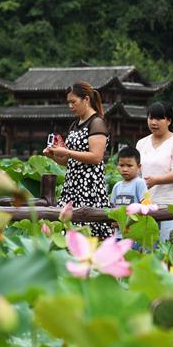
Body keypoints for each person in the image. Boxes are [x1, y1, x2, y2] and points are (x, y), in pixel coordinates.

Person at [44, 81, 112, 239]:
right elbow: (70, 161)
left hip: (89, 187)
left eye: (73, 102)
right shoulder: (75, 124)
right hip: (71, 186)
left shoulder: (96, 123)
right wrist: (53, 156)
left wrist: (67, 152)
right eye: (68, 102)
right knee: (66, 233)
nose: (70, 106)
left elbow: (96, 157)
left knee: (89, 234)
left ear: (86, 99)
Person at [135, 102, 173, 241]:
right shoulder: (141, 143)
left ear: (169, 121)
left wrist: (156, 180)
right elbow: (137, 173)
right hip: (148, 205)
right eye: (151, 118)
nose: (153, 122)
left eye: (159, 118)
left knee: (170, 246)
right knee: (148, 247)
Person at [110, 146, 147, 241]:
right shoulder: (117, 186)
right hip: (118, 234)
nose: (125, 169)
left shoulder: (139, 183)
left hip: (134, 233)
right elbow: (112, 207)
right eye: (122, 165)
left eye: (129, 166)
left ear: (139, 167)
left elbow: (145, 206)